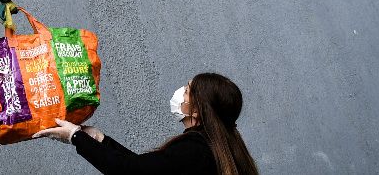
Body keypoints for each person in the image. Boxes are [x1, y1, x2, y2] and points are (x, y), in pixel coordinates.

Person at [33, 72, 261, 175]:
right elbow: (144, 167)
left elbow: (131, 172)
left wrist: (76, 137)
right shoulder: (219, 149)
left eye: (188, 90)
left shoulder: (196, 150)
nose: (182, 92)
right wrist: (100, 139)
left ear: (198, 111)